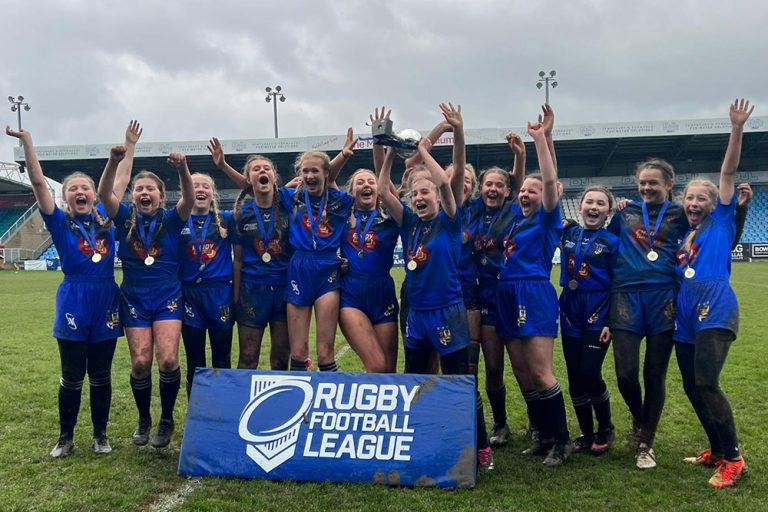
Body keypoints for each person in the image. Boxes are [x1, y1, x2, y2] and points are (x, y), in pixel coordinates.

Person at [377, 106, 494, 472]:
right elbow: (383, 189)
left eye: (424, 192)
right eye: (415, 194)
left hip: (448, 311)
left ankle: (481, 447)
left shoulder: (449, 220)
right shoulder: (409, 221)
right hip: (418, 316)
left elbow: (447, 182)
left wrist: (423, 149)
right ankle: (424, 440)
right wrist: (393, 149)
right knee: (417, 382)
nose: (420, 198)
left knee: (460, 382)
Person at [6, 126, 127, 457]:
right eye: (73, 188)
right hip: (74, 298)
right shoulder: (59, 223)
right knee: (72, 376)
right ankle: (66, 437)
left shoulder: (107, 220)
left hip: (105, 298)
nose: (80, 191)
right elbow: (36, 181)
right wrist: (28, 141)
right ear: (66, 197)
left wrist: (127, 148)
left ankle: (101, 435)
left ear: (93, 194)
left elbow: (120, 182)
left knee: (101, 375)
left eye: (85, 187)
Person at [676, 99, 753, 488]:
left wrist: (736, 128)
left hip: (716, 307)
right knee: (692, 386)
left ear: (713, 204)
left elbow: (727, 171)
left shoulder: (720, 222)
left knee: (707, 382)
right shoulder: (684, 236)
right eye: (689, 198)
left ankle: (735, 459)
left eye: (701, 199)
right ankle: (717, 450)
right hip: (685, 314)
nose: (694, 203)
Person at [98, 151, 194, 449]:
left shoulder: (172, 220)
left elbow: (189, 199)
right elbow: (103, 194)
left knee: (168, 359)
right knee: (140, 362)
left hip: (167, 298)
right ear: (133, 196)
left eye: (150, 189)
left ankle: (166, 419)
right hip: (134, 300)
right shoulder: (125, 218)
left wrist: (183, 169)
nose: (144, 192)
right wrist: (113, 162)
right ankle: (144, 419)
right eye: (139, 189)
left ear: (161, 197)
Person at [607, 155, 690, 468]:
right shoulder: (624, 212)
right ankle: (642, 420)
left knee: (654, 373)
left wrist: (739, 208)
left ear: (668, 184)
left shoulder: (681, 213)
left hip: (663, 298)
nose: (646, 188)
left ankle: (646, 441)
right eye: (642, 183)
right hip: (625, 295)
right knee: (625, 373)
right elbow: (606, 245)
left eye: (653, 183)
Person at [496, 118, 569, 466]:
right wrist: (519, 158)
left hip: (534, 294)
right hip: (506, 294)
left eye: (532, 191)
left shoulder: (547, 219)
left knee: (541, 372)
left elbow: (551, 180)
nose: (524, 194)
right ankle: (543, 435)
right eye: (523, 190)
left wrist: (543, 139)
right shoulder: (515, 217)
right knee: (523, 373)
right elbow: (514, 186)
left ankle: (562, 441)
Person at [209, 139, 291, 371]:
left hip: (284, 290)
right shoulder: (241, 214)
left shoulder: (287, 203)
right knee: (247, 356)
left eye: (267, 169)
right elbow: (239, 260)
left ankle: (280, 405)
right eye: (256, 169)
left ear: (274, 177)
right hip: (252, 291)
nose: (262, 171)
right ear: (248, 178)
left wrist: (224, 166)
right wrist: (235, 298)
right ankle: (244, 405)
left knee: (281, 357)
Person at [472, 132, 525, 447]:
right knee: (493, 365)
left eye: (499, 185)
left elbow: (519, 184)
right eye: (488, 184)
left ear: (508, 191)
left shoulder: (515, 208)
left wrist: (519, 155)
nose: (493, 189)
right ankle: (501, 423)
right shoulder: (476, 210)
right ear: (482, 189)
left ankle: (537, 423)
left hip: (514, 293)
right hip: (486, 294)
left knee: (526, 366)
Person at [559, 186, 618, 454]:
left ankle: (605, 428)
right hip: (570, 310)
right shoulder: (569, 232)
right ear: (580, 206)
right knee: (574, 376)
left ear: (608, 212)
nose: (594, 207)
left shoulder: (612, 242)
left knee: (589, 372)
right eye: (589, 202)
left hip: (598, 310)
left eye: (601, 204)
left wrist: (611, 320)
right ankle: (586, 433)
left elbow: (619, 282)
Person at [283, 150, 354, 372]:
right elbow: (258, 190)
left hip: (328, 269)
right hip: (300, 267)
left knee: (325, 351)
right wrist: (288, 184)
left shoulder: (340, 201)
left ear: (326, 173)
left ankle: (327, 402)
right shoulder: (291, 197)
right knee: (298, 351)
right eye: (305, 171)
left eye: (315, 170)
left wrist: (343, 155)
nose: (310, 175)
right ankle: (297, 402)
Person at [177, 172, 235, 395]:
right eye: (195, 186)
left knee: (222, 357)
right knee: (195, 360)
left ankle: (223, 410)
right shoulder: (178, 220)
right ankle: (197, 414)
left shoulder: (226, 219)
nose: (200, 190)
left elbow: (260, 202)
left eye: (206, 186)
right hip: (190, 295)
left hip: (219, 294)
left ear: (213, 194)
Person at [338, 167, 400, 372]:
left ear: (378, 189)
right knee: (377, 365)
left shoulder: (391, 220)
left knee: (388, 370)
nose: (366, 185)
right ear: (352, 191)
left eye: (371, 182)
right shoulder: (342, 218)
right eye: (360, 182)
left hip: (383, 293)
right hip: (351, 295)